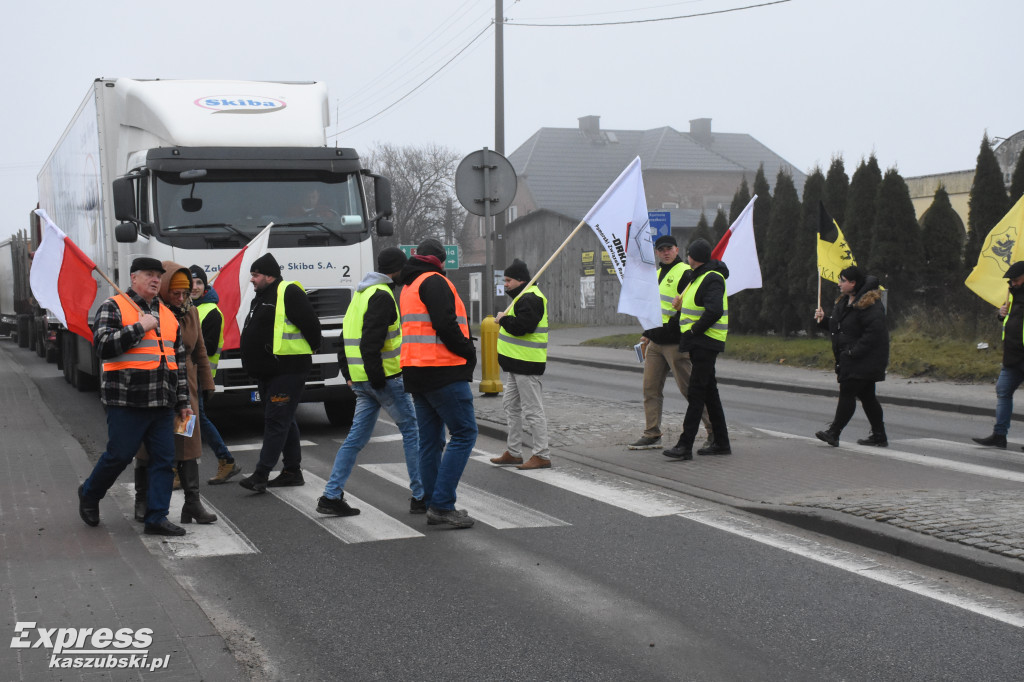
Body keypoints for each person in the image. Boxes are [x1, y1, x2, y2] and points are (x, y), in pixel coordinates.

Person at [77, 257, 193, 536]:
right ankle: (90, 494)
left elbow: (175, 362)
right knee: (119, 456)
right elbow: (102, 346)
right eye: (149, 275)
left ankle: (156, 517)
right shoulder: (113, 307)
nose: (155, 280)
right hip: (127, 400)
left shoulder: (167, 314)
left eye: (158, 276)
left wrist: (183, 401)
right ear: (133, 279)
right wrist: (139, 327)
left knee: (164, 461)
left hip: (162, 402)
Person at [317, 247, 423, 517]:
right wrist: (378, 379)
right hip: (384, 380)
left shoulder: (360, 295)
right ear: (397, 270)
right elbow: (370, 343)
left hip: (363, 382)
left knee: (354, 440)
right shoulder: (383, 296)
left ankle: (331, 495)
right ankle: (421, 496)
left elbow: (344, 340)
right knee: (412, 432)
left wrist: (350, 375)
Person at [400, 238, 478, 528]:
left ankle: (431, 499)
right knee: (464, 433)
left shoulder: (408, 286)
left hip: (416, 371)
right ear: (441, 261)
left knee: (430, 440)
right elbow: (445, 324)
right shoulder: (434, 281)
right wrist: (467, 349)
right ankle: (443, 505)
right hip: (442, 369)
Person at [134, 263, 218, 525]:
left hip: (186, 390)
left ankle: (192, 503)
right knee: (148, 448)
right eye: (176, 293)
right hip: (156, 388)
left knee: (187, 443)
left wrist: (207, 383)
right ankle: (142, 499)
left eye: (186, 294)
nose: (182, 299)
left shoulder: (191, 312)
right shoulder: (149, 311)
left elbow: (200, 350)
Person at [237, 252, 322, 492]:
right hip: (269, 372)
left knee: (275, 421)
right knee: (284, 419)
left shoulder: (289, 292)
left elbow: (312, 326)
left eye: (255, 275)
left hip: (289, 370)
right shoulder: (261, 296)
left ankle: (261, 474)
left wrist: (310, 350)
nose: (252, 279)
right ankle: (292, 471)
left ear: (269, 275)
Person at [628, 234, 714, 451]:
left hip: (675, 343)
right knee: (650, 388)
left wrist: (673, 330)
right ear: (657, 252)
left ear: (677, 250)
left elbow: (685, 309)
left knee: (689, 390)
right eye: (661, 249)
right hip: (656, 342)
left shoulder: (685, 273)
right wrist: (646, 333)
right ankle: (652, 433)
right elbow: (652, 309)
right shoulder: (656, 274)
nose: (666, 252)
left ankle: (714, 430)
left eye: (669, 248)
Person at [663, 239, 732, 460]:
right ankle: (721, 442)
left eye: (689, 253)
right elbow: (698, 306)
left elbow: (713, 311)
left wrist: (693, 331)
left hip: (705, 342)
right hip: (699, 343)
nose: (687, 256)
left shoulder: (712, 278)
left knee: (697, 393)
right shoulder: (699, 276)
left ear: (694, 256)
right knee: (710, 393)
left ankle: (685, 445)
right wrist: (680, 306)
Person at [813, 265, 890, 448]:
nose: (839, 284)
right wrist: (824, 321)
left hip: (864, 359)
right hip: (853, 358)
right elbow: (840, 328)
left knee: (847, 393)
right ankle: (879, 436)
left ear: (853, 283)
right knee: (868, 397)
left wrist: (852, 352)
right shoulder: (845, 301)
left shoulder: (870, 304)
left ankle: (834, 432)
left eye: (843, 281)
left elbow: (873, 334)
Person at [489, 259, 552, 470]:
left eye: (508, 280)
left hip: (527, 364)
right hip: (516, 365)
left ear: (521, 280)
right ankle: (514, 452)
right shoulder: (522, 298)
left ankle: (542, 454)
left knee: (532, 410)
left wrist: (503, 319)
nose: (505, 284)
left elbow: (522, 327)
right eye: (504, 280)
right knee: (511, 407)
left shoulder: (531, 298)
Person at [188, 264, 241, 484]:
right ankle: (221, 460)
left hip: (198, 376)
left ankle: (222, 460)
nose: (195, 287)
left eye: (199, 282)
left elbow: (207, 348)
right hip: (186, 375)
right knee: (190, 419)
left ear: (206, 286)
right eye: (190, 283)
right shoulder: (187, 308)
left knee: (192, 419)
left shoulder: (211, 312)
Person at [972, 261, 1024, 449]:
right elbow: (1010, 319)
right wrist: (1001, 314)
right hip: (1012, 356)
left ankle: (1000, 434)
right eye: (1010, 281)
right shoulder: (1012, 296)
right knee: (1003, 391)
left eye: (1016, 280)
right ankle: (999, 435)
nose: (1012, 283)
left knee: (1003, 392)